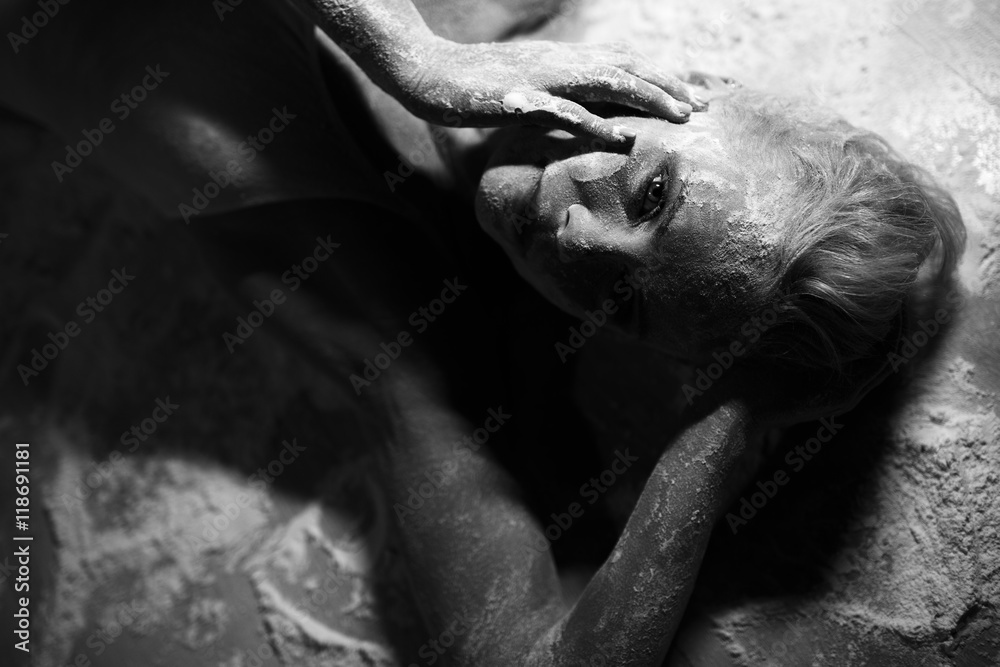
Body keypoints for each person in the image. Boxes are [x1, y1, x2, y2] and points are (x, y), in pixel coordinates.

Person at [0, 0, 966, 664]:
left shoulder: (398, 306)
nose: (574, 234)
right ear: (703, 85)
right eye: (654, 193)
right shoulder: (505, 12)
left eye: (621, 303)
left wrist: (721, 435)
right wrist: (414, 53)